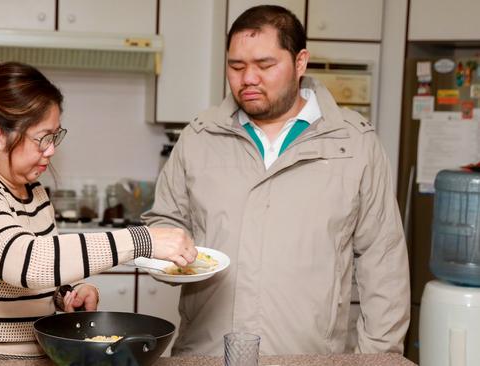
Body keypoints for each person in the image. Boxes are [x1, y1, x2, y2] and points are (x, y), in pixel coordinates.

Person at [142, 5, 410, 356]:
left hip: (311, 357)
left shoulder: (354, 144)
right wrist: (166, 256)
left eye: (265, 65)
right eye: (236, 67)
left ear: (300, 62)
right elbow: (165, 223)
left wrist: (378, 361)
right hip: (206, 354)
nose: (248, 78)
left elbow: (383, 264)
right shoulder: (200, 137)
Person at [0, 60, 197, 360]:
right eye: (42, 138)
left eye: (55, 136)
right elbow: (27, 262)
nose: (51, 150)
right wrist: (142, 240)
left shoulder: (33, 192)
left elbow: (34, 269)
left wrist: (65, 292)